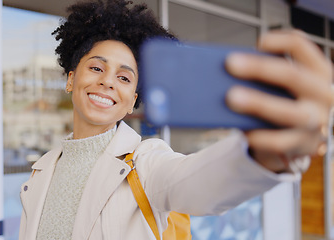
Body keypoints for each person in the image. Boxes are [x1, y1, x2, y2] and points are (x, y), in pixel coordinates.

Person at [19, 0, 333, 239]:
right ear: (71, 79)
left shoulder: (144, 162)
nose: (108, 82)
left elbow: (198, 183)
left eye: (125, 78)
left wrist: (263, 156)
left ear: (133, 103)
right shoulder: (40, 172)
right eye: (97, 68)